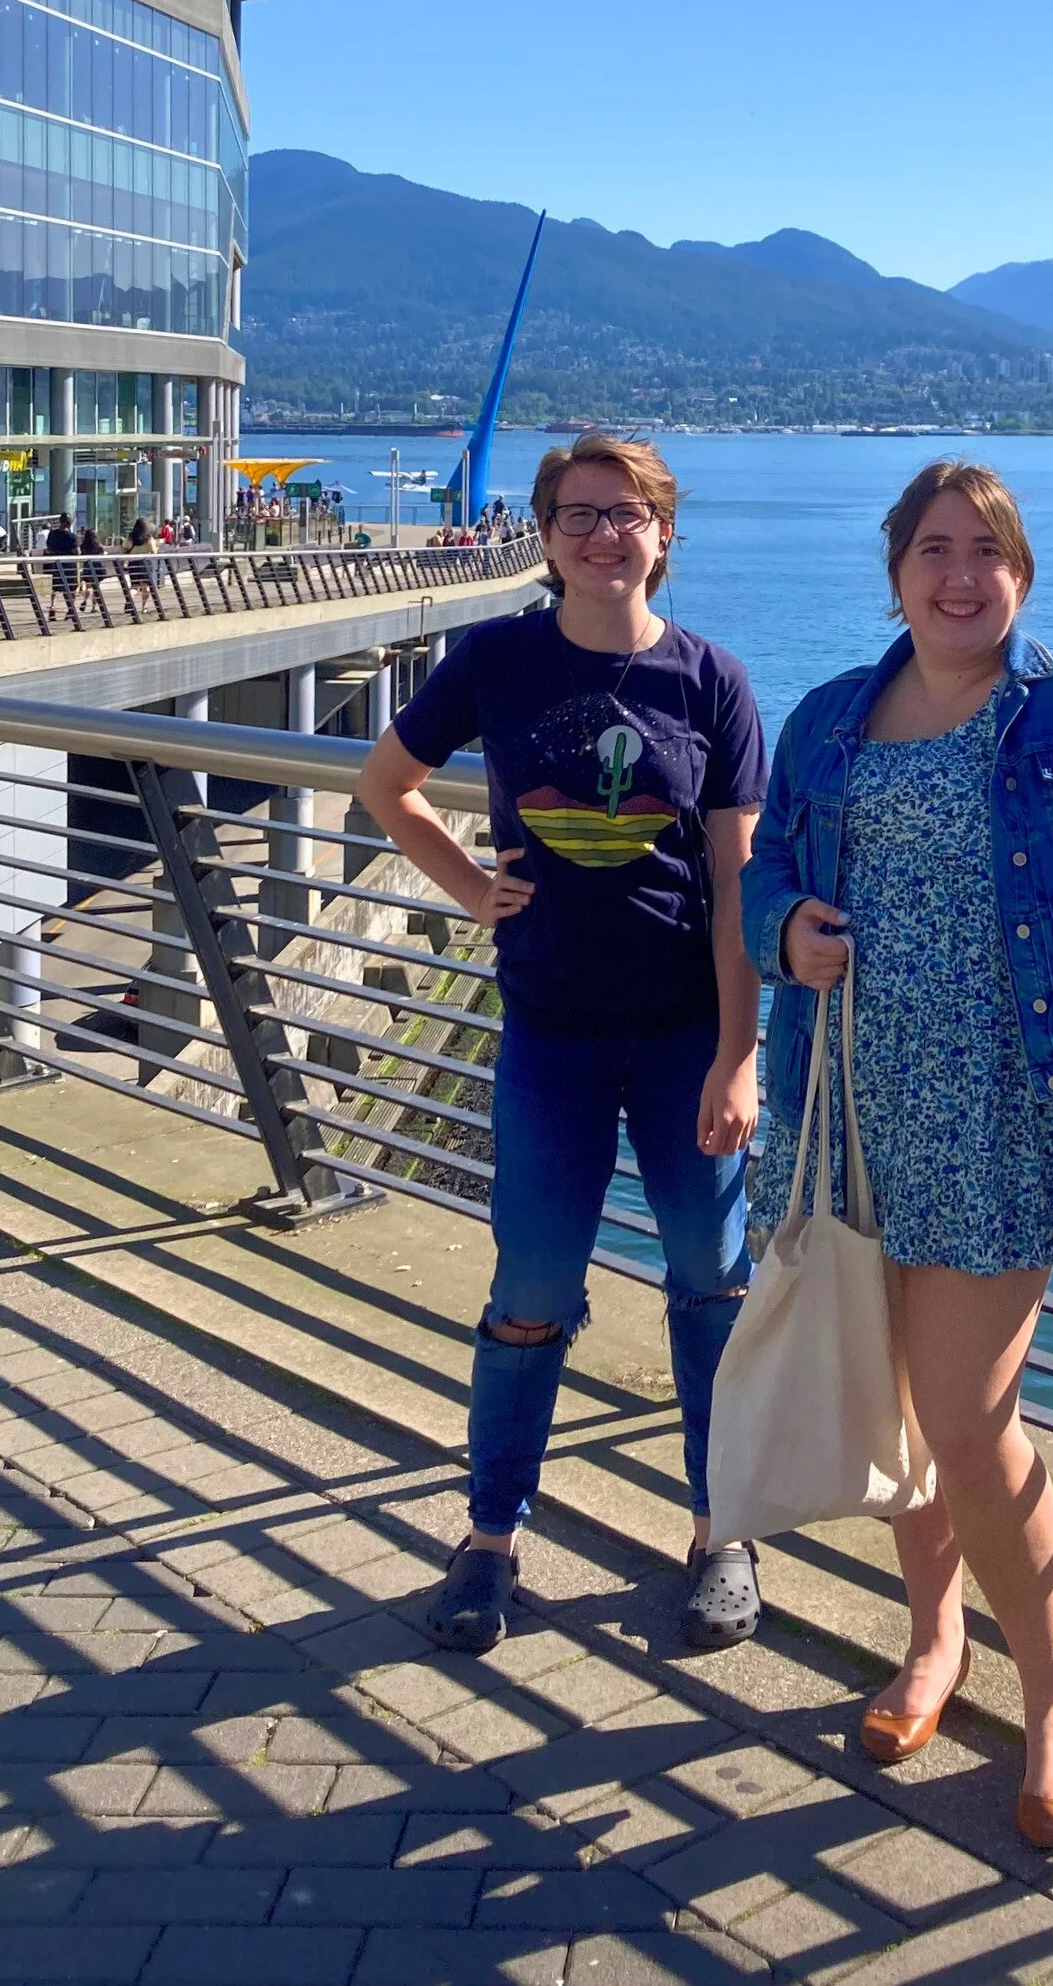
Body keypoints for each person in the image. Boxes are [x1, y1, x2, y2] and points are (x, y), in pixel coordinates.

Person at [741, 457, 1053, 1852]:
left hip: (1004, 1114)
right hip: (853, 1102)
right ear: (894, 571)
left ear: (1021, 573)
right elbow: (768, 867)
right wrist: (783, 935)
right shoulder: (831, 715)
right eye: (935, 550)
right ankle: (932, 1641)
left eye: (987, 553)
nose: (961, 577)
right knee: (902, 1413)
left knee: (965, 1420)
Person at [356, 432, 768, 1656]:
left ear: (665, 538)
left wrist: (739, 1056)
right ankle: (489, 1535)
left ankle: (722, 1525)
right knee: (530, 1295)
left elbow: (740, 886)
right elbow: (389, 784)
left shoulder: (713, 682)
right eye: (580, 514)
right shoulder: (495, 659)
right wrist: (471, 888)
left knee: (711, 1287)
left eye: (628, 514)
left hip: (686, 1031)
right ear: (542, 537)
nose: (604, 535)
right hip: (549, 1032)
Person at [125, 513, 166, 615]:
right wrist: (158, 545)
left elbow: (125, 547)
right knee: (146, 586)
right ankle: (144, 608)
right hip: (145, 563)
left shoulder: (131, 536)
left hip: (133, 563)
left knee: (134, 586)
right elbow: (153, 551)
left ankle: (129, 599)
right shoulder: (148, 537)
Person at [43, 512, 80, 622]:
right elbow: (77, 552)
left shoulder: (52, 534)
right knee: (70, 588)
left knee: (55, 587)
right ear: (69, 523)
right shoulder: (72, 537)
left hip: (55, 563)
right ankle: (70, 609)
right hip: (69, 565)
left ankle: (53, 607)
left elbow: (48, 546)